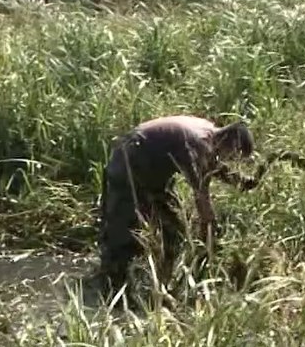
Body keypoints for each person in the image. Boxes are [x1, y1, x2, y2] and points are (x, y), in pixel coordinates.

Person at [95, 115, 260, 301]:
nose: (229, 161)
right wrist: (209, 231)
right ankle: (113, 290)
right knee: (125, 229)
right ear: (228, 143)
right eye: (232, 156)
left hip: (148, 169)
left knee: (172, 231)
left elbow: (213, 165)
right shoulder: (196, 144)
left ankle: (158, 284)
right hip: (129, 164)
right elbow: (201, 191)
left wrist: (240, 181)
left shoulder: (209, 133)